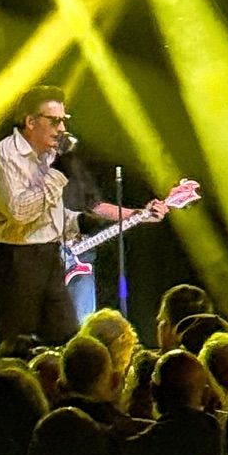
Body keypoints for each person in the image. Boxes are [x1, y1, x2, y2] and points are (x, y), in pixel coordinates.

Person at [0, 89, 81, 351]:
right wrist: (58, 175)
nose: (62, 128)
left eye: (64, 120)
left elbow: (51, 211)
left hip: (49, 256)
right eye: (54, 121)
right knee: (18, 345)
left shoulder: (49, 157)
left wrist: (79, 224)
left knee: (67, 340)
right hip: (17, 260)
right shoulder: (5, 156)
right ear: (30, 121)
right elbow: (20, 212)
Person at [61, 136, 170, 323]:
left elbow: (93, 205)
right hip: (33, 258)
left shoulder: (69, 164)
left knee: (80, 323)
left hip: (74, 256)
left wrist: (141, 214)